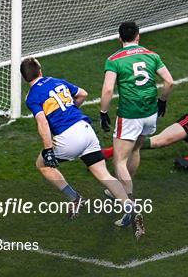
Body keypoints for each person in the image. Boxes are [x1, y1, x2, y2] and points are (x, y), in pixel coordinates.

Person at [22, 57, 144, 238]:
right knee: (103, 174)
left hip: (68, 137)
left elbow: (43, 123)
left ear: (25, 79)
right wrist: (70, 110)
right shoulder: (57, 81)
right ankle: (130, 208)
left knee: (42, 164)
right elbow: (83, 94)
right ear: (40, 71)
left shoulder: (32, 97)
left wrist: (48, 149)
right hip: (85, 130)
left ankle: (75, 198)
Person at [99, 21, 174, 214]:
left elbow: (108, 89)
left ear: (119, 38)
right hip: (150, 113)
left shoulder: (114, 59)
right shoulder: (152, 55)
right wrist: (163, 101)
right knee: (136, 149)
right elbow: (169, 81)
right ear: (138, 36)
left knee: (119, 161)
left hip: (130, 115)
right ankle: (121, 190)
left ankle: (129, 203)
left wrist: (103, 112)